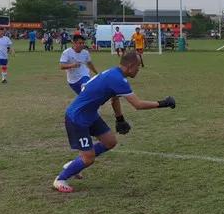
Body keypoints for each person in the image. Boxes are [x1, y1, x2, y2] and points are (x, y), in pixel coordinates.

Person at [53, 52, 176, 193]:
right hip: (77, 118)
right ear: (130, 66)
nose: (138, 69)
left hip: (90, 115)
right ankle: (60, 179)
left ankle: (77, 163)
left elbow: (114, 98)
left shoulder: (114, 73)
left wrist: (120, 119)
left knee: (110, 142)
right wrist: (164, 103)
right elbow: (138, 105)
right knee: (89, 159)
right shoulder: (118, 79)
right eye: (138, 66)